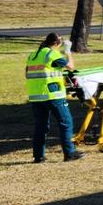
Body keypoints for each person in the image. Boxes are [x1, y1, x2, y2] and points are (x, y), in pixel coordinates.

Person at [25, 32, 84, 163]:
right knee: (66, 122)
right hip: (53, 95)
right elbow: (71, 67)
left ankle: (38, 156)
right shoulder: (52, 54)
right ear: (57, 43)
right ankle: (69, 153)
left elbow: (28, 74)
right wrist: (68, 50)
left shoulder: (32, 56)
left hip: (36, 97)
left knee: (41, 126)